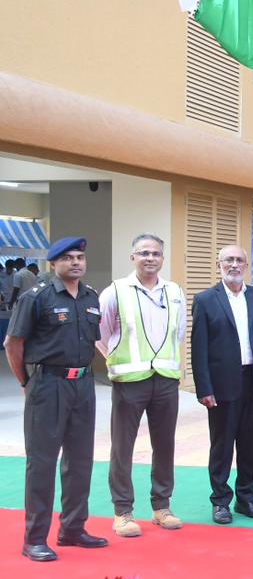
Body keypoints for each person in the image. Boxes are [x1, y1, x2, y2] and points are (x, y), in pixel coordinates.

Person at [5, 237, 105, 562]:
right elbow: (14, 344)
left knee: (80, 460)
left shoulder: (90, 297)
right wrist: (26, 381)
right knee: (43, 464)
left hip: (83, 385)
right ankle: (34, 538)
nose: (76, 262)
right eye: (68, 258)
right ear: (53, 263)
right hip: (48, 385)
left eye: (80, 257)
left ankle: (73, 529)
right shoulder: (37, 297)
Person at [96, 234, 186, 538]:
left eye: (156, 253)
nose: (150, 258)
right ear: (132, 257)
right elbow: (100, 332)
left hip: (165, 382)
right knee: (123, 447)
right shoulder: (115, 291)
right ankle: (122, 511)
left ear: (163, 258)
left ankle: (162, 507)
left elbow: (179, 334)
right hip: (129, 383)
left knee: (165, 445)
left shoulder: (174, 292)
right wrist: (113, 359)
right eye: (144, 253)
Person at [190, 245, 253, 525]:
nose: (234, 264)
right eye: (228, 260)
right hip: (222, 384)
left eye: (239, 260)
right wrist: (204, 388)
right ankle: (220, 501)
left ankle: (246, 498)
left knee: (249, 444)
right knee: (222, 445)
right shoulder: (205, 300)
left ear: (246, 265)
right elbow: (199, 348)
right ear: (219, 264)